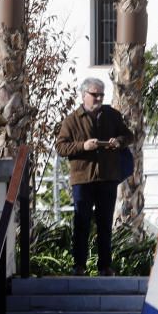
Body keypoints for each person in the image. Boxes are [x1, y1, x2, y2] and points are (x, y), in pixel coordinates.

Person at [55, 77, 133, 276]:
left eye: (101, 95)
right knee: (81, 222)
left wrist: (119, 141)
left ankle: (105, 266)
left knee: (105, 223)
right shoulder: (72, 120)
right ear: (83, 96)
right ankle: (79, 266)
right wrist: (83, 146)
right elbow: (61, 147)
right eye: (94, 94)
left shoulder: (112, 116)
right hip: (83, 179)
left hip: (107, 178)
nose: (98, 98)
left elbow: (128, 136)